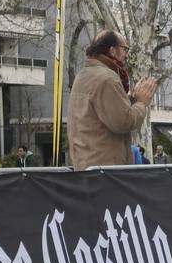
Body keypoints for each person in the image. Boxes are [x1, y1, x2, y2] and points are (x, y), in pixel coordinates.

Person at [68, 30, 158, 168]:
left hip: (88, 166)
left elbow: (107, 114)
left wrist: (133, 99)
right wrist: (141, 103)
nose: (127, 55)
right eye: (125, 49)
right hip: (107, 171)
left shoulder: (84, 75)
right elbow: (123, 122)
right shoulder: (107, 79)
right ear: (112, 51)